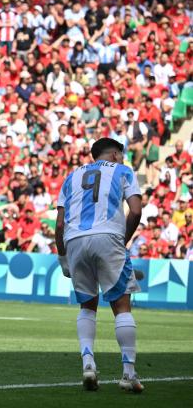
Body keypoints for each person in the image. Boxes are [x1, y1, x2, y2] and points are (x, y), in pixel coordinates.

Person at [55, 138, 143, 393]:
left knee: (87, 305)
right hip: (108, 237)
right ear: (115, 154)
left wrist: (63, 257)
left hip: (74, 241)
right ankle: (128, 373)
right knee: (121, 306)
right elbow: (135, 211)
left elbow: (59, 224)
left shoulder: (71, 177)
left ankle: (88, 364)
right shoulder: (123, 171)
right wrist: (122, 241)